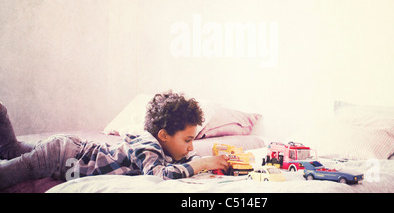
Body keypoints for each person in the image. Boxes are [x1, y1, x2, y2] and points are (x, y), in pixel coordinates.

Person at [0, 91, 229, 190]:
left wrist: (204, 159)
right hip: (60, 158)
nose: (191, 147)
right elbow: (159, 176)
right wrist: (201, 164)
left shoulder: (165, 146)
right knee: (8, 173)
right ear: (163, 135)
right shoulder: (147, 145)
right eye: (188, 140)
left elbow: (187, 157)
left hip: (66, 147)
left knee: (12, 149)